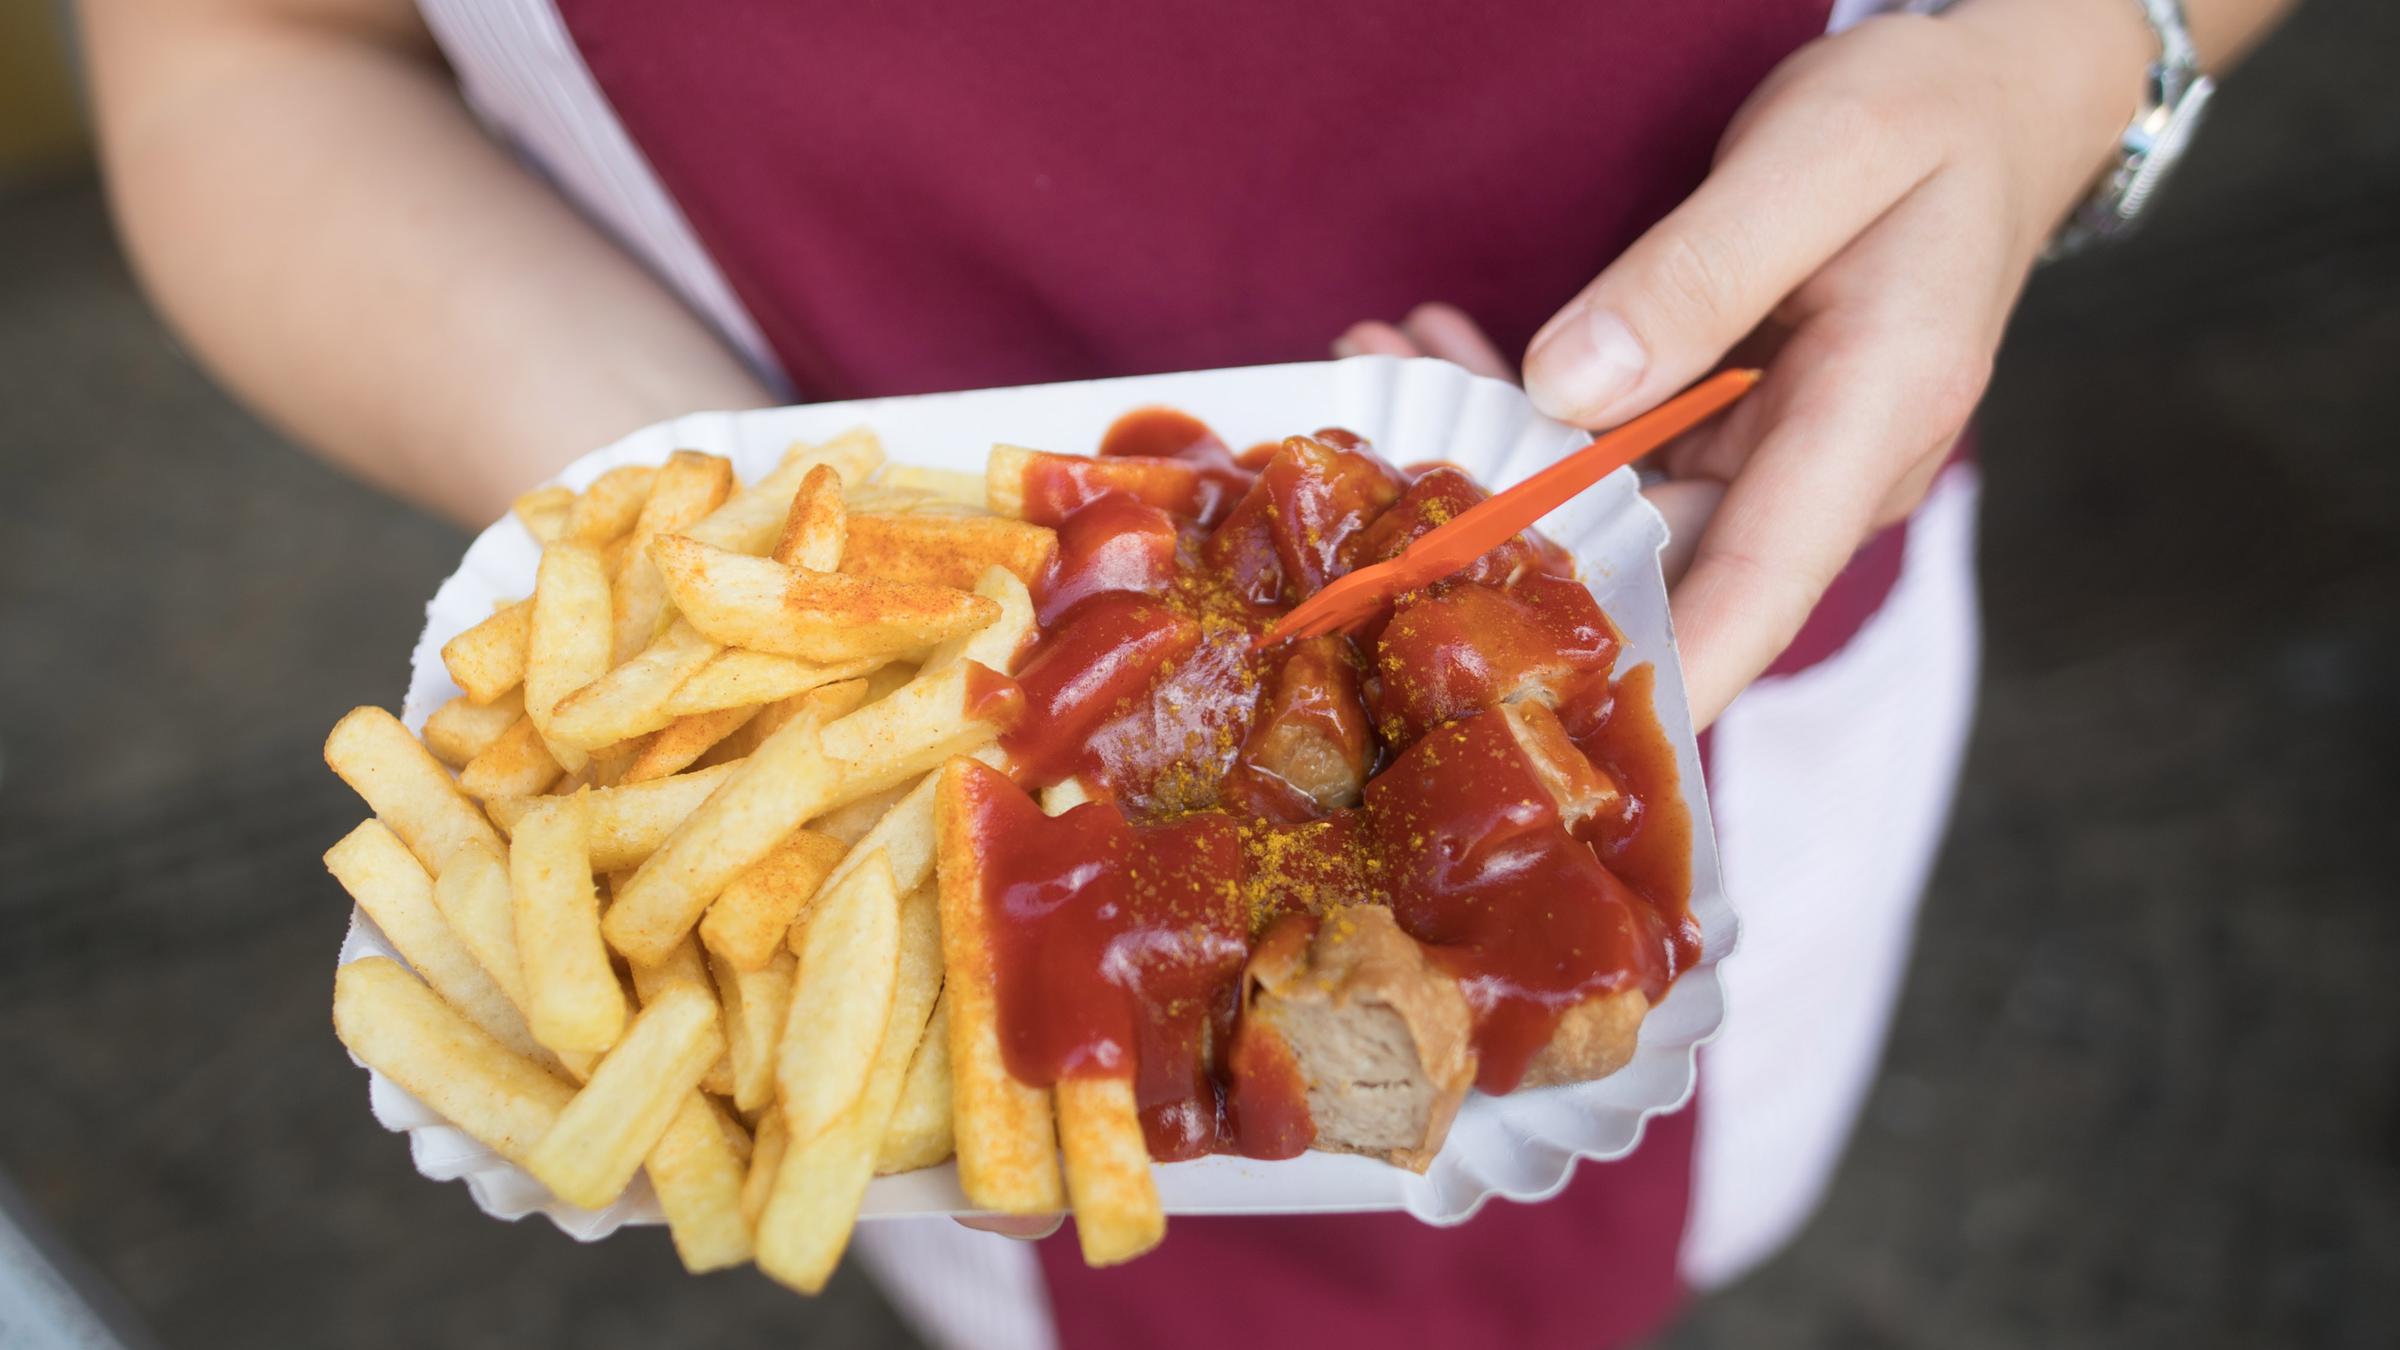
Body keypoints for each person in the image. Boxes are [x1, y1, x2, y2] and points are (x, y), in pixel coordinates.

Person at [79, 0, 2294, 1345]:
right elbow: (238, 54)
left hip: (1751, 632)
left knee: (1668, 1201)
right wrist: (735, 530)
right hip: (894, 949)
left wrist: (2060, 65)